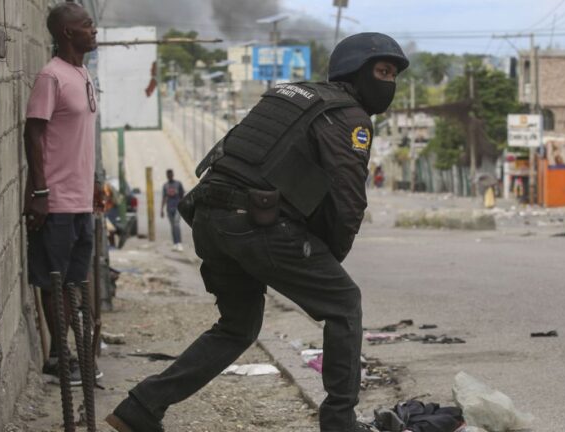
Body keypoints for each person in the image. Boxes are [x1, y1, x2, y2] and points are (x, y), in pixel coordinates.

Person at [106, 32, 409, 432]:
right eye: (381, 71)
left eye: (393, 73)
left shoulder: (291, 95)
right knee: (344, 303)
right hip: (255, 222)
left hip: (210, 217)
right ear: (354, 71)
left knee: (237, 327)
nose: (388, 82)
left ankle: (141, 407)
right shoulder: (350, 117)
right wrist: (328, 258)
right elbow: (347, 198)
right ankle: (339, 422)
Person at [23, 2, 100, 384]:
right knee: (53, 279)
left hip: (81, 199)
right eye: (88, 26)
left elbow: (79, 139)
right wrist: (39, 191)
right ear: (68, 32)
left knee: (72, 280)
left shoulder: (81, 73)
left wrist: (94, 184)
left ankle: (71, 354)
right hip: (54, 200)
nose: (94, 30)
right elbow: (33, 132)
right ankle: (60, 354)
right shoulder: (51, 76)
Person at [160, 169, 185, 251]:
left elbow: (182, 195)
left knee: (176, 224)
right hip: (169, 208)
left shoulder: (178, 184)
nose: (169, 176)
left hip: (178, 207)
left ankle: (179, 243)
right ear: (167, 176)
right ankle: (175, 243)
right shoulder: (165, 186)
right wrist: (161, 209)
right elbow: (164, 198)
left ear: (173, 175)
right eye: (168, 175)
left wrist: (183, 206)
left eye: (171, 174)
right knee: (172, 226)